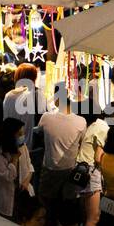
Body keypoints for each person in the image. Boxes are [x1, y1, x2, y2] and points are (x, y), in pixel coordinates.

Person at [36, 89, 87, 217]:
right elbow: (81, 142)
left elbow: (39, 131)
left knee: (45, 202)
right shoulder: (81, 121)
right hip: (70, 169)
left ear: (57, 99)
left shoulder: (47, 117)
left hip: (50, 167)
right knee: (66, 204)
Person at [0, 117, 34, 218]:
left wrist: (26, 182)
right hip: (4, 199)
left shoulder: (22, 146)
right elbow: (8, 176)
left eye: (22, 133)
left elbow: (29, 166)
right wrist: (14, 160)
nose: (22, 137)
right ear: (9, 136)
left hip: (23, 194)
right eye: (19, 134)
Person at [77, 113, 110, 226]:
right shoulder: (104, 127)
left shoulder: (91, 125)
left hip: (80, 169)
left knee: (84, 214)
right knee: (93, 217)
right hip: (90, 172)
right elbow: (97, 158)